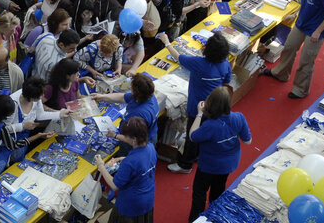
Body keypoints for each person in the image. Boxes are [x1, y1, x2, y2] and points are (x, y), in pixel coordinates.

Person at [159, 31, 231, 173]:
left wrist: (167, 42)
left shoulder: (199, 63)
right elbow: (226, 81)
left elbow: (178, 56)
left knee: (193, 136)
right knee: (206, 132)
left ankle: (185, 165)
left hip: (197, 107)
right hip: (215, 105)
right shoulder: (225, 63)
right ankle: (199, 155)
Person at [262, 0, 324, 98]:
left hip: (315, 30)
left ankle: (300, 90)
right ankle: (280, 73)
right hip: (302, 24)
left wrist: (318, 31)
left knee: (306, 61)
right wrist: (295, 15)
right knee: (289, 48)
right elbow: (305, 2)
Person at [188, 87, 252, 221]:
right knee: (218, 191)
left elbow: (193, 136)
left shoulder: (210, 125)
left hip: (208, 166)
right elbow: (248, 141)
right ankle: (214, 216)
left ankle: (196, 219)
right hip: (228, 165)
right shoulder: (239, 117)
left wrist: (199, 114)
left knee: (200, 193)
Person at [94, 117, 156, 223]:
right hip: (148, 198)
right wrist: (123, 157)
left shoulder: (131, 162)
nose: (125, 138)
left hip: (131, 205)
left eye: (126, 136)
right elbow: (142, 163)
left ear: (134, 139)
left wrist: (101, 166)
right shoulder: (150, 147)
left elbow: (114, 185)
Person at [95, 73, 160, 146]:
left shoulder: (138, 114)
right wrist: (102, 97)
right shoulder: (148, 96)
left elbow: (133, 140)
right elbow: (123, 97)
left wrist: (115, 136)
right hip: (149, 134)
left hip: (137, 142)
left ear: (135, 91)